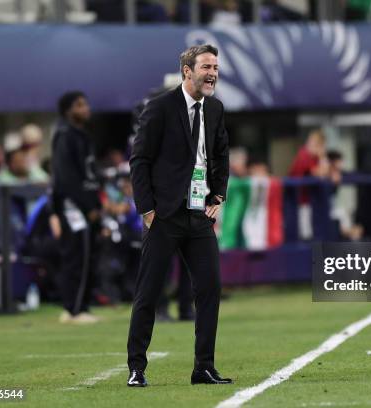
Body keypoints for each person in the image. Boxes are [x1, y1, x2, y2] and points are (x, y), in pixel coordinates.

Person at [126, 44, 231, 387]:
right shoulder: (159, 109)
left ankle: (203, 367)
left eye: (215, 66)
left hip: (198, 214)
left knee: (210, 288)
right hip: (165, 216)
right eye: (206, 67)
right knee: (149, 293)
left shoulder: (214, 109)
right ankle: (136, 368)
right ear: (188, 70)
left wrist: (218, 193)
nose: (212, 72)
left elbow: (220, 153)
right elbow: (139, 160)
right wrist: (147, 209)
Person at [51, 91, 102, 324]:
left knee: (87, 254)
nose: (86, 108)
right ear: (68, 110)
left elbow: (89, 173)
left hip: (87, 203)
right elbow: (67, 177)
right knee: (76, 255)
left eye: (86, 103)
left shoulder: (83, 136)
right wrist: (86, 205)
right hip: (73, 206)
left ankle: (81, 305)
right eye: (80, 105)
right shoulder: (64, 136)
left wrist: (97, 202)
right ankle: (73, 309)